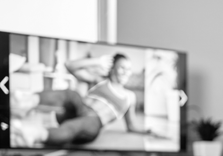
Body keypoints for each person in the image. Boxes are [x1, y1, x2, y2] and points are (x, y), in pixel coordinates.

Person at [11, 53, 149, 147]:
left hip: (94, 123)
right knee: (73, 94)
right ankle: (25, 102)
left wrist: (149, 131)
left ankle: (34, 135)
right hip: (79, 108)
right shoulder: (99, 80)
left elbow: (131, 126)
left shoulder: (130, 97)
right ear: (113, 69)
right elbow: (69, 65)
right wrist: (97, 61)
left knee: (78, 125)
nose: (126, 72)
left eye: (129, 69)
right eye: (122, 68)